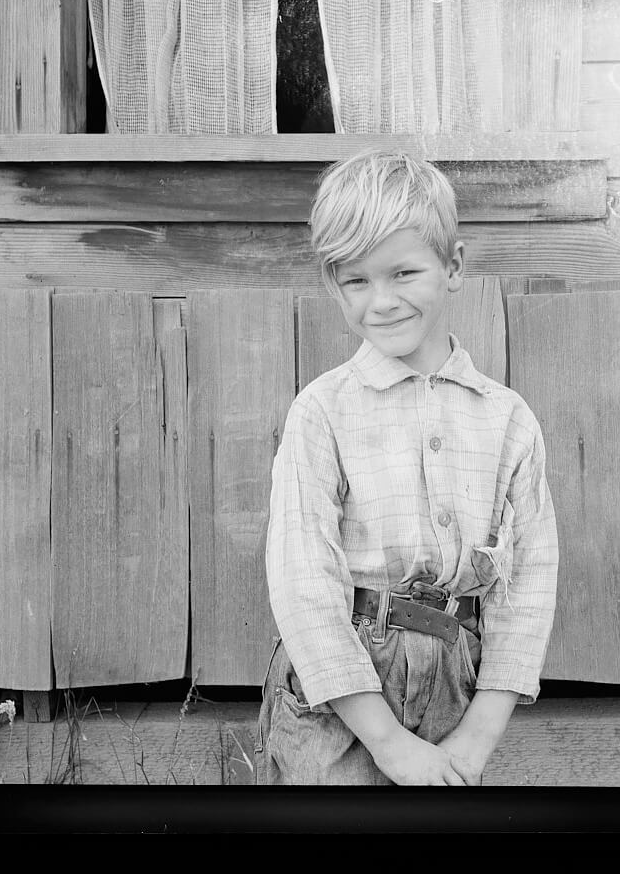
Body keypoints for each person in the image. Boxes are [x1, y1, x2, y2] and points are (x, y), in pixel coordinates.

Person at [255, 150, 559, 785]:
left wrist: (477, 735)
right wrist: (388, 742)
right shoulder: (323, 412)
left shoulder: (507, 420)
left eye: (403, 272)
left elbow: (527, 583)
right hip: (337, 698)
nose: (381, 301)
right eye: (356, 281)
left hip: (457, 682)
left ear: (453, 265)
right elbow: (303, 581)